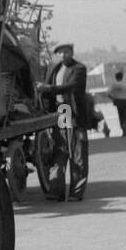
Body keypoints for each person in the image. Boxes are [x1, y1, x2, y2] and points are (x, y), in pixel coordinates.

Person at [37, 41, 90, 200]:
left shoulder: (79, 69)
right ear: (57, 54)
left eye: (67, 51)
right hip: (62, 111)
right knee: (60, 149)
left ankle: (76, 192)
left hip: (74, 112)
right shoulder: (55, 69)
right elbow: (48, 90)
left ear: (72, 53)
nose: (63, 55)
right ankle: (56, 191)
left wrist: (49, 89)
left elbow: (72, 86)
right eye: (60, 52)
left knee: (78, 152)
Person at [108, 69, 126, 137]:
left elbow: (108, 93)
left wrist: (113, 98)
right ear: (122, 77)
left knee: (120, 115)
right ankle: (125, 127)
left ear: (116, 77)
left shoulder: (113, 85)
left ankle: (123, 128)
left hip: (117, 102)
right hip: (125, 102)